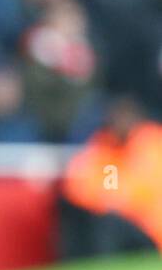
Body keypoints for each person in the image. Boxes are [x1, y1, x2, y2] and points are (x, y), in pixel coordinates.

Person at [58, 95, 162, 260]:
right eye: (117, 118)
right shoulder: (105, 147)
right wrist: (109, 200)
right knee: (94, 220)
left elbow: (146, 190)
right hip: (121, 223)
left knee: (110, 224)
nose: (121, 123)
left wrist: (117, 199)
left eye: (126, 117)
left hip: (150, 226)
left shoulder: (152, 143)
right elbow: (80, 186)